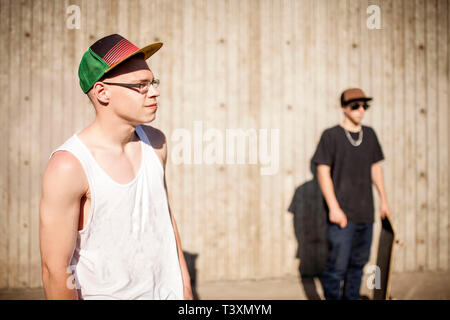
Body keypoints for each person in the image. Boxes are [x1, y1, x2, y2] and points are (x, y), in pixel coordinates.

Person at [39, 34, 193, 300]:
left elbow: (164, 219)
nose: (154, 91)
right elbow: (55, 271)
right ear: (102, 92)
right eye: (140, 85)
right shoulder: (69, 165)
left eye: (152, 82)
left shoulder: (156, 143)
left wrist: (186, 288)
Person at [312, 88, 391, 300]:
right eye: (355, 106)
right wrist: (334, 208)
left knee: (358, 266)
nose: (360, 110)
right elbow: (323, 171)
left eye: (364, 105)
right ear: (343, 108)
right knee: (336, 268)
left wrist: (384, 201)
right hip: (342, 216)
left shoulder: (370, 134)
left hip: (366, 213)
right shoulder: (331, 136)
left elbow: (375, 168)